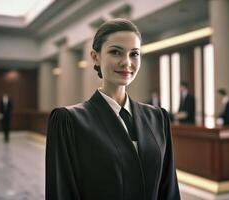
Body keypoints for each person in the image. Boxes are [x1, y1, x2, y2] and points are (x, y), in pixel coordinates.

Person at [45, 18, 180, 200]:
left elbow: (168, 189)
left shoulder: (157, 118)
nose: (127, 62)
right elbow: (62, 194)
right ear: (95, 56)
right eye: (116, 52)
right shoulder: (69, 121)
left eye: (134, 54)